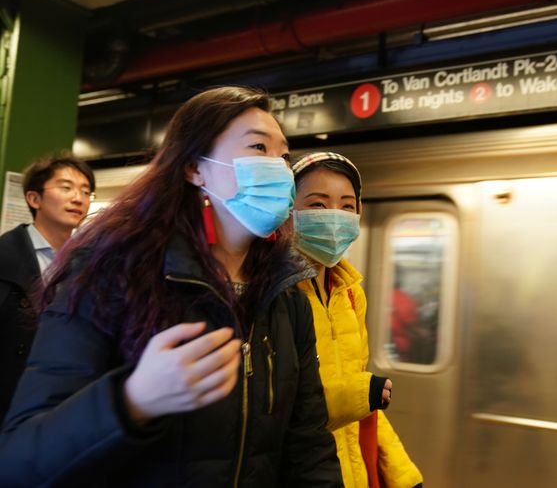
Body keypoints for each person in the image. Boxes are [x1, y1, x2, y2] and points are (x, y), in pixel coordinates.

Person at [0, 87, 343, 487]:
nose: (280, 168)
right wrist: (132, 401)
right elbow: (20, 458)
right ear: (194, 168)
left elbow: (308, 446)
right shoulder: (114, 273)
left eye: (283, 155)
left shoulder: (285, 290)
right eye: (257, 148)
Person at [292, 152, 422, 488]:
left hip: (351, 472)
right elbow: (285, 409)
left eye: (347, 206)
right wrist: (364, 393)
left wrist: (402, 474)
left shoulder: (350, 294)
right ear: (289, 212)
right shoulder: (280, 296)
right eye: (318, 205)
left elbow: (364, 406)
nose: (335, 216)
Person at [0, 153, 95, 421]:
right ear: (34, 199)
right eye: (66, 188)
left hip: (61, 401)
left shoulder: (91, 262)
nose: (78, 198)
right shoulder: (5, 257)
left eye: (86, 191)